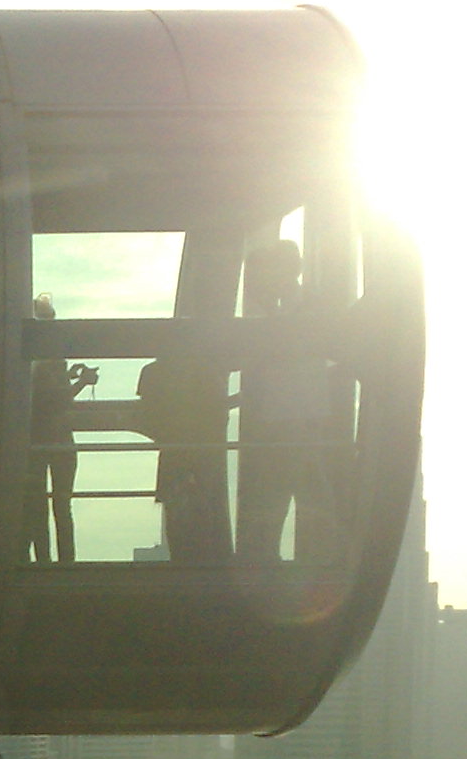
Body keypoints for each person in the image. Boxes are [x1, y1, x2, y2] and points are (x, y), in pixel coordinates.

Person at [235, 238, 338, 565]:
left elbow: (287, 349)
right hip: (284, 413)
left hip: (298, 414)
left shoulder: (308, 306)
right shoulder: (283, 306)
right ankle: (294, 554)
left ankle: (306, 554)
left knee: (290, 487)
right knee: (291, 486)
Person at [134, 343, 232, 564]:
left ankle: (180, 559)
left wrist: (163, 435)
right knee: (202, 503)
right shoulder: (207, 369)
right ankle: (204, 559)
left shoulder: (152, 371)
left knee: (174, 505)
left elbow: (145, 412)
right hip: (202, 448)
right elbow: (220, 409)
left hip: (173, 447)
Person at [26, 297, 81, 563]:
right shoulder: (55, 360)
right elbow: (59, 400)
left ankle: (43, 560)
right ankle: (66, 561)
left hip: (35, 440)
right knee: (62, 504)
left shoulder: (29, 362)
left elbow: (44, 399)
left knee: (37, 505)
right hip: (60, 439)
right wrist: (80, 381)